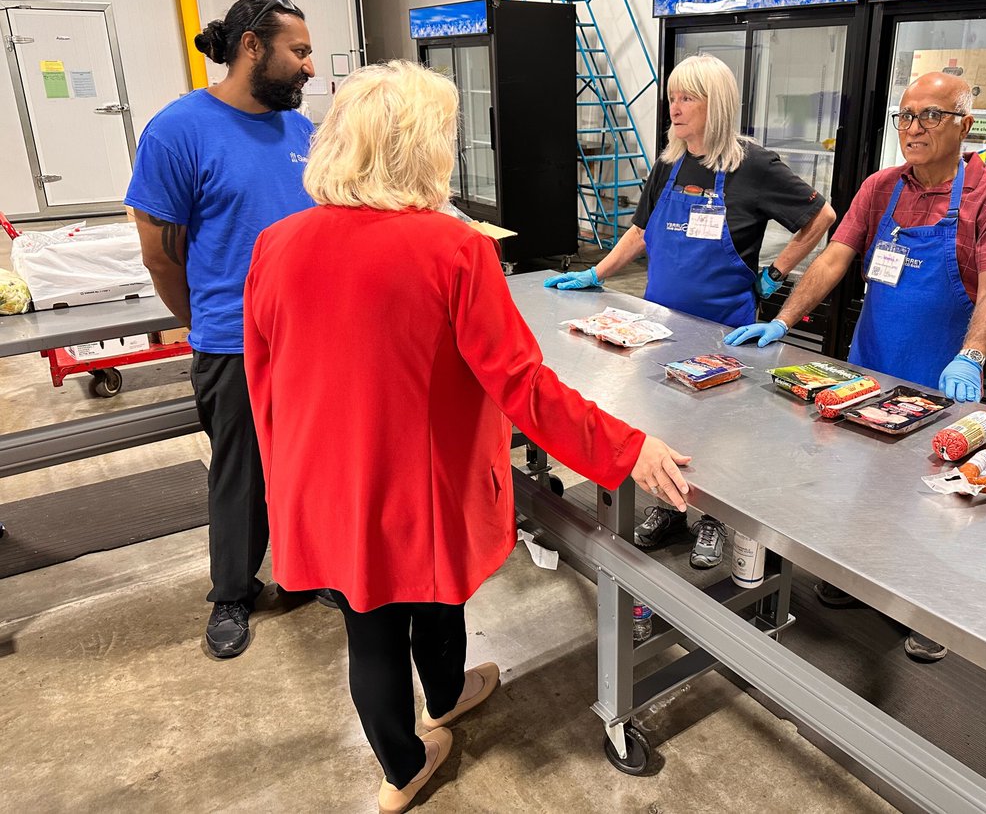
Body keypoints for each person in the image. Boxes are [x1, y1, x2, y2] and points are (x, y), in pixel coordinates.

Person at [242, 60, 692, 813]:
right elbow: (522, 386)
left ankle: (402, 762)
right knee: (434, 587)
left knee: (369, 622)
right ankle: (439, 710)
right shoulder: (454, 248)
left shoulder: (277, 244)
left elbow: (266, 378)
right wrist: (624, 447)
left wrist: (288, 476)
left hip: (323, 473)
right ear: (420, 148)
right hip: (418, 478)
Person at [725, 72, 986, 662]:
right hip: (871, 371)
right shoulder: (882, 188)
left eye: (929, 116)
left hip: (942, 379)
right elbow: (834, 258)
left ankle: (931, 608)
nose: (912, 129)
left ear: (964, 123)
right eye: (905, 116)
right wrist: (785, 320)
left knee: (940, 498)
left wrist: (972, 355)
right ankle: (865, 580)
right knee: (867, 485)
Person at [546, 53, 835, 570]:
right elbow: (640, 231)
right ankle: (672, 508)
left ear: (716, 105)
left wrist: (779, 269)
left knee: (719, 433)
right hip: (657, 327)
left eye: (687, 98)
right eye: (672, 97)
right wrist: (598, 275)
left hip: (724, 332)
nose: (674, 108)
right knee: (664, 424)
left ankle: (714, 519)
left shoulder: (754, 165)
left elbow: (822, 216)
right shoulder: (668, 164)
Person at [126, 0, 328, 660]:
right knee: (241, 476)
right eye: (297, 51)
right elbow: (160, 253)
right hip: (234, 341)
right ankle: (234, 594)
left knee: (311, 466)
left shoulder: (300, 133)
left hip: (312, 340)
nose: (309, 65)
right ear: (252, 47)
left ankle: (311, 569)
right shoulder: (179, 130)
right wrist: (207, 321)